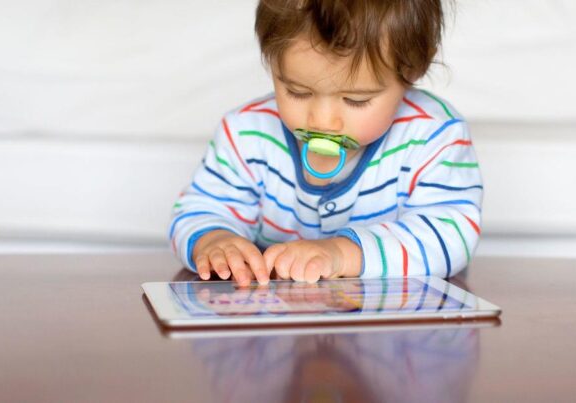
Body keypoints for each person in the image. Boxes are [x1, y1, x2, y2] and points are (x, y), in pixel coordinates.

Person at [169, 0, 482, 285]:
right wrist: (213, 239)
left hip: (391, 331)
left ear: (413, 70)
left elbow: (449, 234)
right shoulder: (246, 134)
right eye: (298, 92)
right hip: (279, 330)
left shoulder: (434, 135)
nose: (322, 121)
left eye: (356, 99)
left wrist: (343, 254)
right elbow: (202, 208)